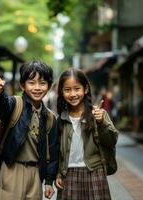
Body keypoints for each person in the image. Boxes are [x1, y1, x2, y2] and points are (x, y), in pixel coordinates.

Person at [0, 60, 59, 200]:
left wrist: (49, 181)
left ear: (49, 86)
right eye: (32, 83)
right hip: (12, 169)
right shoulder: (15, 104)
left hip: (35, 173)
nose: (37, 87)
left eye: (42, 83)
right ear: (23, 85)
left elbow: (53, 152)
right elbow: (1, 107)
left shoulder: (50, 117)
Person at [55, 68, 118, 200]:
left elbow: (112, 140)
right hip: (69, 175)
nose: (73, 94)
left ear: (85, 89)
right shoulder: (60, 119)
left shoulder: (98, 114)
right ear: (62, 91)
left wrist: (101, 122)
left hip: (94, 173)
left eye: (77, 88)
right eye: (67, 90)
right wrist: (58, 174)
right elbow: (56, 152)